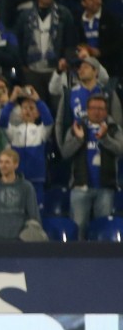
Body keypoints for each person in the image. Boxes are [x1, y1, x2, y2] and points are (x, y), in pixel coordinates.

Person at [59, 95, 123, 239]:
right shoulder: (76, 128)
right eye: (93, 108)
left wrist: (105, 138)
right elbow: (65, 152)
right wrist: (79, 139)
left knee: (103, 230)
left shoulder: (113, 129)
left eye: (101, 109)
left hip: (105, 188)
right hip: (80, 188)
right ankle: (77, 261)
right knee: (78, 231)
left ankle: (105, 261)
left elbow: (121, 150)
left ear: (106, 112)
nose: (97, 112)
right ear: (87, 110)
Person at [0, 149, 41, 242]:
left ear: (16, 164)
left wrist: (25, 239)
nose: (3, 166)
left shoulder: (26, 187)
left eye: (7, 162)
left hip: (21, 244)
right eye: (1, 162)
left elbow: (34, 218)